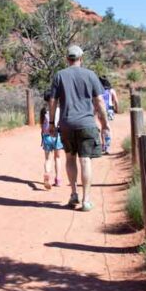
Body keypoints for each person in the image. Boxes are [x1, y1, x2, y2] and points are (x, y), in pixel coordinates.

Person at [49, 45, 109, 212]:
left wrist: (52, 123)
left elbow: (52, 101)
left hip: (67, 124)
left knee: (70, 159)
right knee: (85, 160)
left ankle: (74, 193)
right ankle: (86, 200)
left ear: (67, 59)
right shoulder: (90, 75)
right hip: (87, 124)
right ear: (81, 58)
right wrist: (104, 124)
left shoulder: (59, 75)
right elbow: (99, 101)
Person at [39, 98, 63, 189]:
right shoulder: (59, 110)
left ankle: (47, 174)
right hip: (57, 136)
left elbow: (41, 125)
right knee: (57, 158)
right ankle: (58, 179)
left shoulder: (43, 111)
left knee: (47, 159)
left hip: (46, 137)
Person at [98, 76, 119, 154]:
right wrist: (117, 109)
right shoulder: (111, 90)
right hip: (109, 110)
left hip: (100, 110)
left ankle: (103, 145)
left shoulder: (98, 90)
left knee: (103, 126)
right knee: (107, 127)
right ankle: (107, 146)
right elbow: (116, 101)